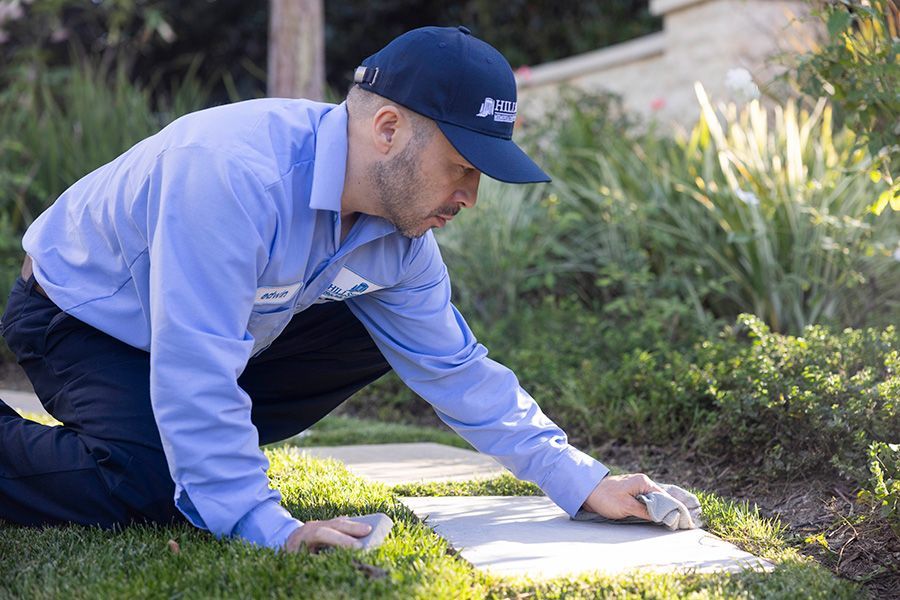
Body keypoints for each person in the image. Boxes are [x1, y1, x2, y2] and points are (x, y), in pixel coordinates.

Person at [0, 25, 665, 552]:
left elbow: (456, 368)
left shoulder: (400, 243)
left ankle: (188, 452)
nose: (470, 198)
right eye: (461, 169)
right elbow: (196, 364)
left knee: (377, 329)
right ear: (387, 131)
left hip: (202, 335)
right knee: (152, 484)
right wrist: (270, 527)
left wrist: (582, 480)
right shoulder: (230, 174)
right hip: (80, 318)